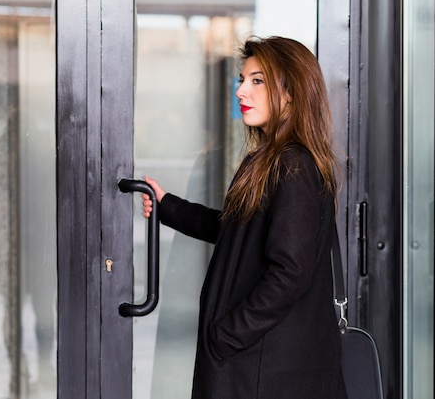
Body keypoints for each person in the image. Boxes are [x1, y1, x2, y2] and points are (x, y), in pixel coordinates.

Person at [142, 36, 347, 399]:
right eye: (241, 79)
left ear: (291, 91)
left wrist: (227, 335)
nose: (240, 91)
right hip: (259, 360)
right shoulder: (275, 159)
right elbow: (240, 232)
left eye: (257, 80)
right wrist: (167, 206)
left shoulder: (293, 164)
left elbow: (290, 272)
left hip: (263, 367)